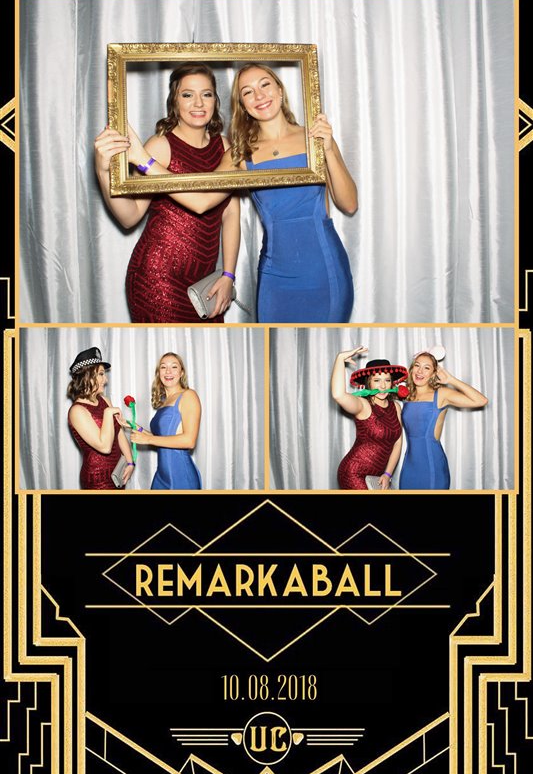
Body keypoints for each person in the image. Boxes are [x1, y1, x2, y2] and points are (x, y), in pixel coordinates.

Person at [125, 63, 357, 322]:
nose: (259, 95)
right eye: (248, 92)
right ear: (242, 104)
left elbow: (349, 203)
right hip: (274, 277)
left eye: (265, 85)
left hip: (324, 269)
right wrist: (144, 162)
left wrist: (329, 150)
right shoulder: (239, 154)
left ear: (280, 90)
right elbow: (201, 201)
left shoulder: (315, 138)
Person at [94, 63, 240, 323]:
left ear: (215, 101)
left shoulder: (225, 147)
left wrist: (228, 275)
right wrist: (103, 173)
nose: (198, 103)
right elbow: (130, 216)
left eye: (206, 94)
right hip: (157, 278)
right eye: (187, 94)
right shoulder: (160, 146)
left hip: (204, 281)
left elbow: (230, 215)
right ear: (174, 100)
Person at [399, 351, 488, 490]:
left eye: (426, 368)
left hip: (432, 466)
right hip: (409, 466)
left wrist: (451, 380)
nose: (420, 371)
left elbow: (481, 400)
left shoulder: (441, 394)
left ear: (433, 373)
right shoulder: (406, 394)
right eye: (417, 365)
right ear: (411, 369)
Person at [331, 348, 407, 490]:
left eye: (387, 380)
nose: (383, 386)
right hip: (353, 473)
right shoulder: (363, 405)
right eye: (377, 380)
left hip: (376, 476)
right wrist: (340, 359)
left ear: (392, 383)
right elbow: (338, 395)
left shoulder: (396, 407)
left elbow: (397, 443)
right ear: (369, 383)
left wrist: (388, 474)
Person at [130, 353, 201, 490]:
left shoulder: (188, 395)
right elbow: (162, 438)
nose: (168, 371)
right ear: (159, 373)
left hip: (181, 477)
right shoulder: (164, 401)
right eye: (163, 367)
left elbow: (189, 440)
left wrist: (148, 439)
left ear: (181, 373)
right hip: (161, 477)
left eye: (174, 367)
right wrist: (134, 426)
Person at [67, 347, 134, 489]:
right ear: (87, 375)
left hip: (117, 473)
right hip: (97, 479)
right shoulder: (77, 411)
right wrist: (108, 413)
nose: (106, 379)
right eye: (101, 374)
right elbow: (104, 447)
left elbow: (119, 434)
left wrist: (130, 462)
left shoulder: (105, 400)